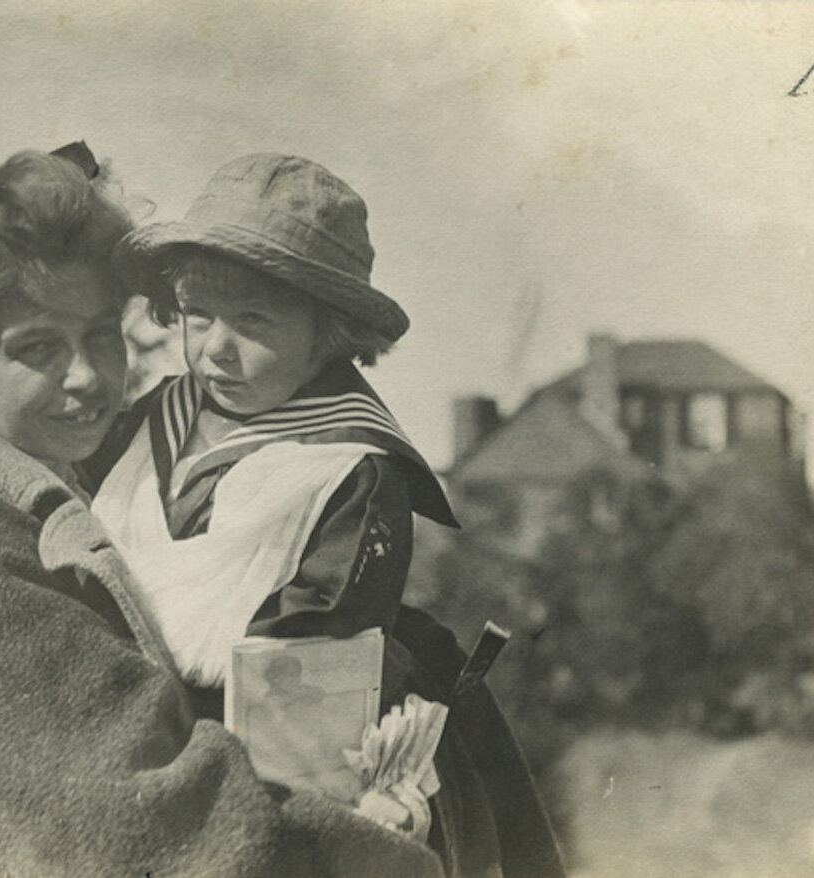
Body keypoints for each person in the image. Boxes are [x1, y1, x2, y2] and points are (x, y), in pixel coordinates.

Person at [0, 148, 446, 878]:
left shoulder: (35, 492)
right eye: (37, 348)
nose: (90, 378)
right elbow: (132, 832)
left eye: (102, 334)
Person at [86, 153, 566, 878]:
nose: (216, 347)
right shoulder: (150, 422)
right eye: (199, 315)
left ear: (327, 334)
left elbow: (307, 659)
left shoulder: (352, 468)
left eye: (253, 320)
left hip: (278, 753)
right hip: (121, 730)